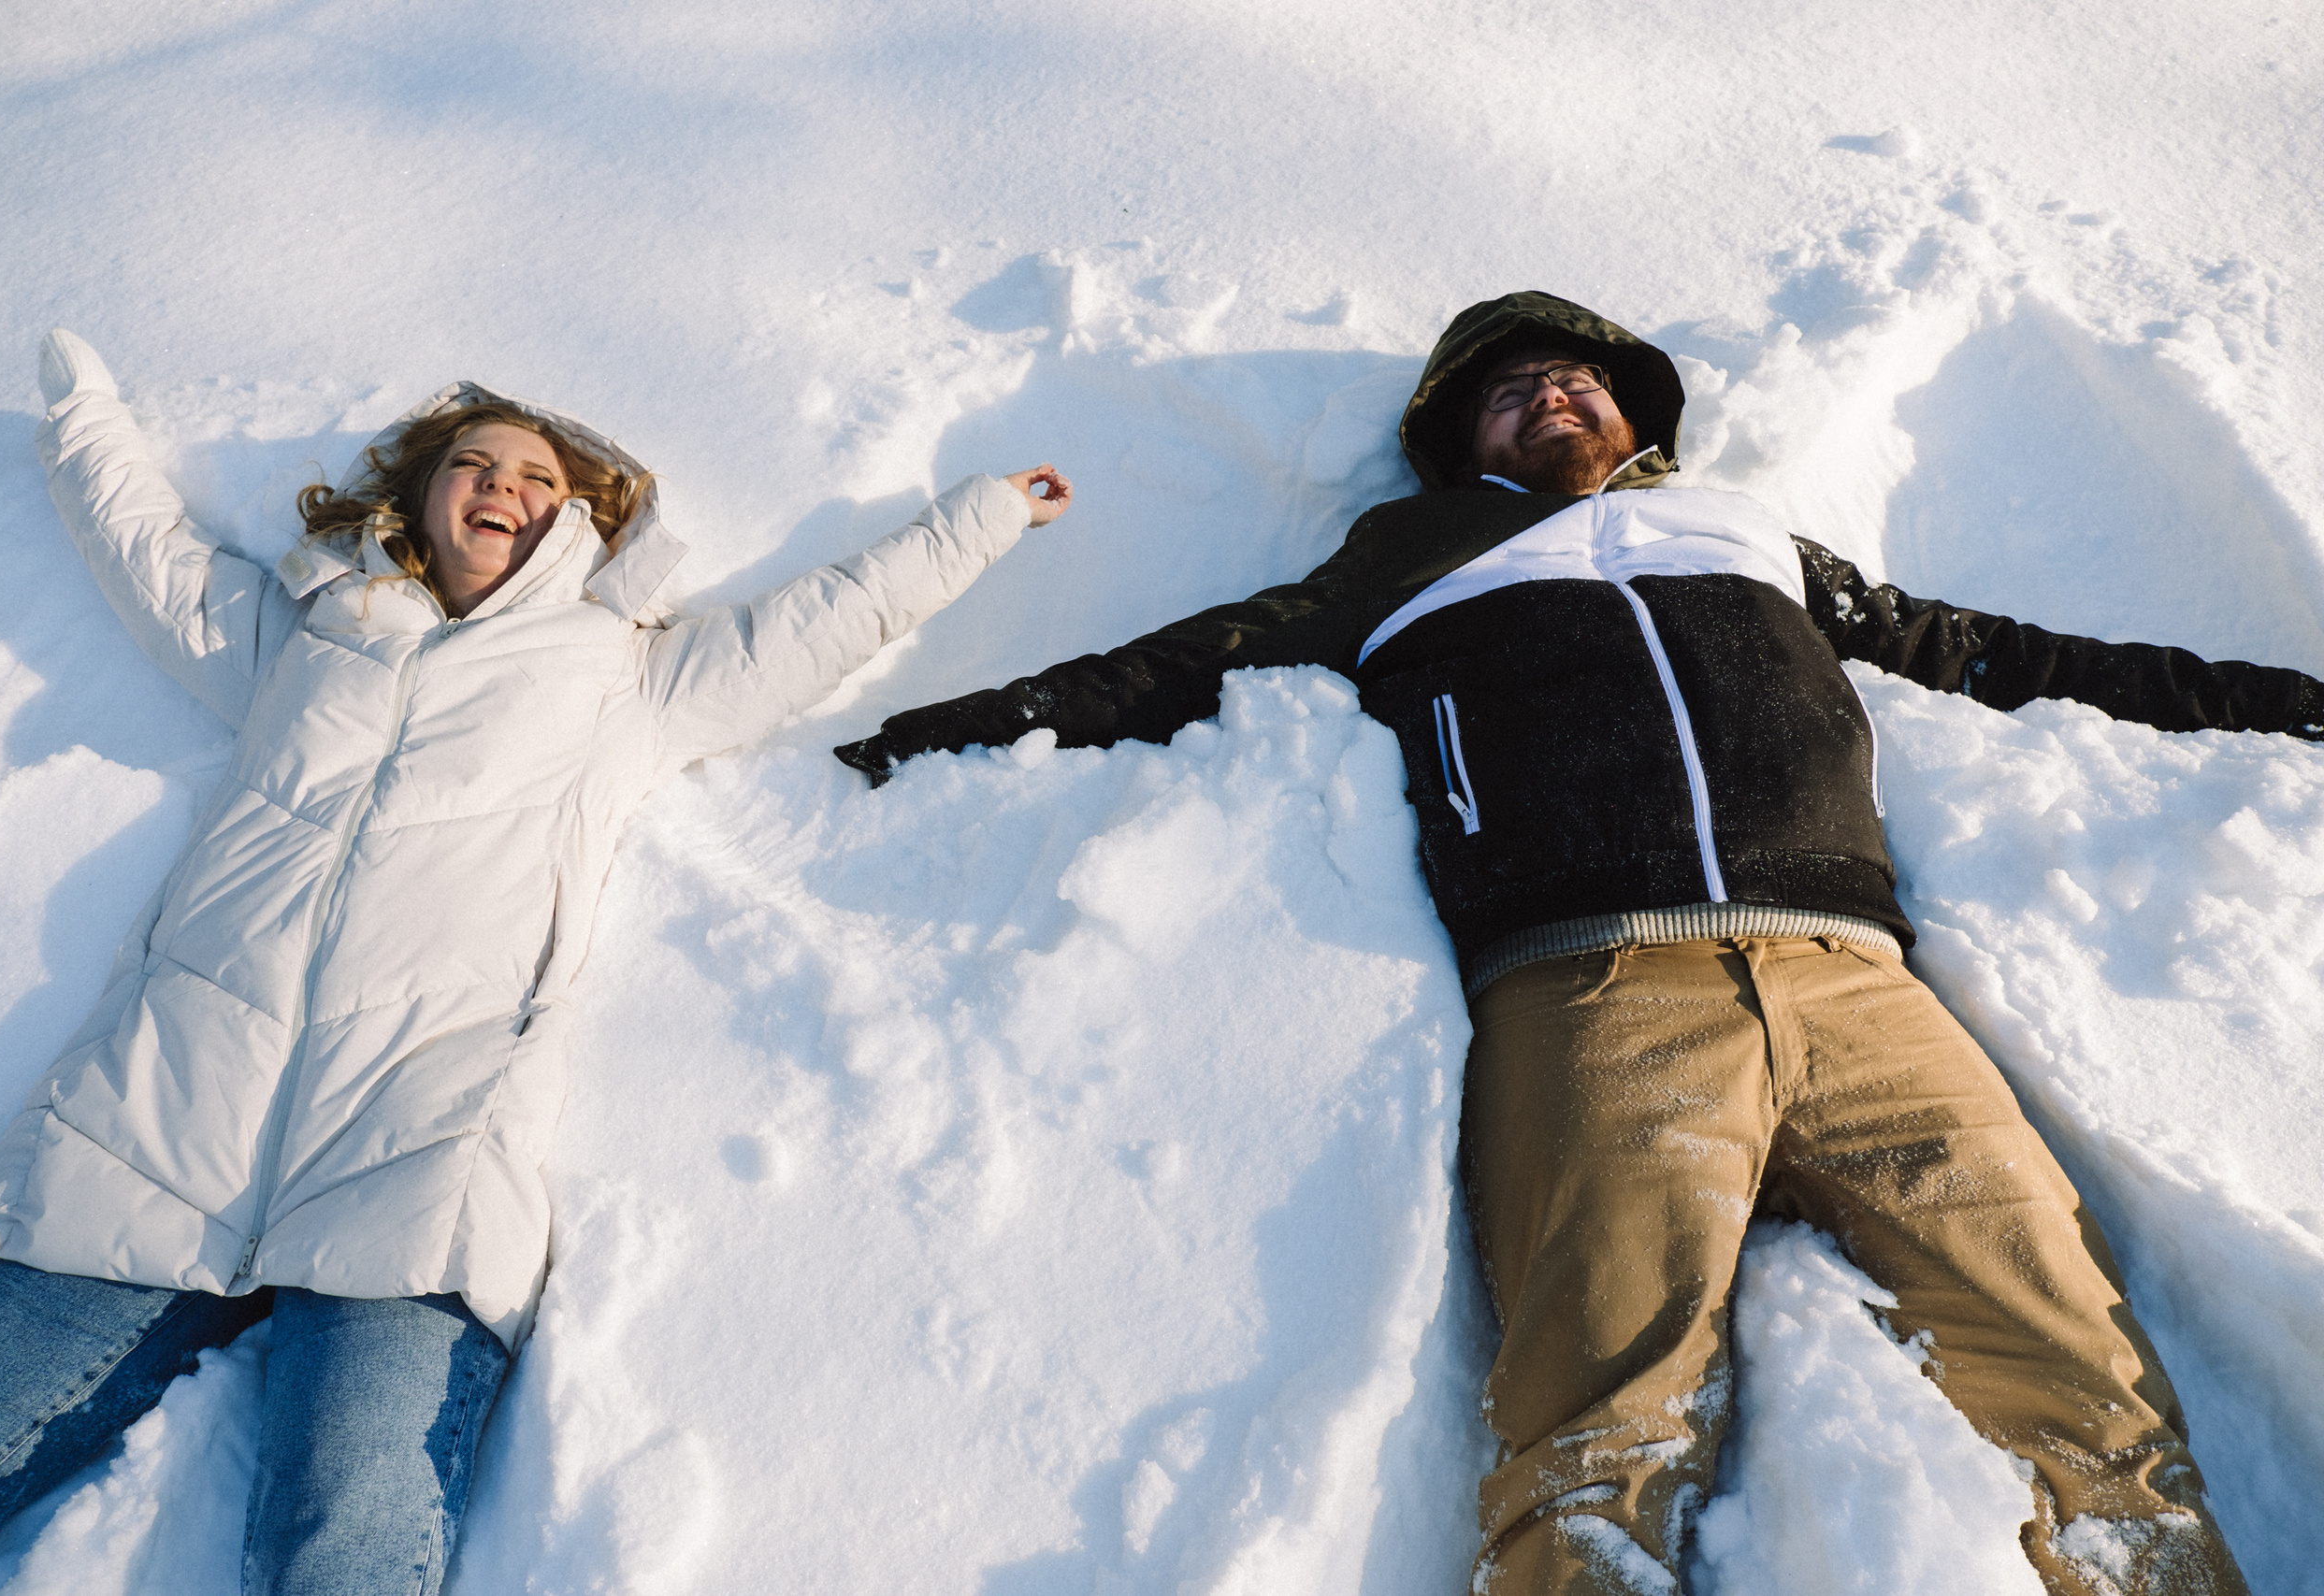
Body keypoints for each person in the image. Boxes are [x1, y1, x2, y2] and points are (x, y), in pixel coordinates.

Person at [833, 292, 2323, 1594]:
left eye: (1577, 377)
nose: (1552, 393)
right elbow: (1168, 667)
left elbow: (2016, 658)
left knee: (2087, 1379)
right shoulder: (1401, 558)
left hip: (1859, 992)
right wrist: (914, 739)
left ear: (1632, 410)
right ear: (1460, 439)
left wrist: (2289, 698)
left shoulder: (1750, 536)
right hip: (1597, 998)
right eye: (1510, 386)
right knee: (1600, 1440)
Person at [0, 329, 1072, 1592]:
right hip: (153, 1132)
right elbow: (150, 557)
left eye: (542, 482)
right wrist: (82, 415)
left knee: (351, 1543)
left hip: (414, 1160)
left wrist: (982, 517)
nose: (506, 490)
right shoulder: (302, 635)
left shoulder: (622, 678)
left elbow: (822, 623)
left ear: (581, 527)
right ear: (421, 491)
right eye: (477, 464)